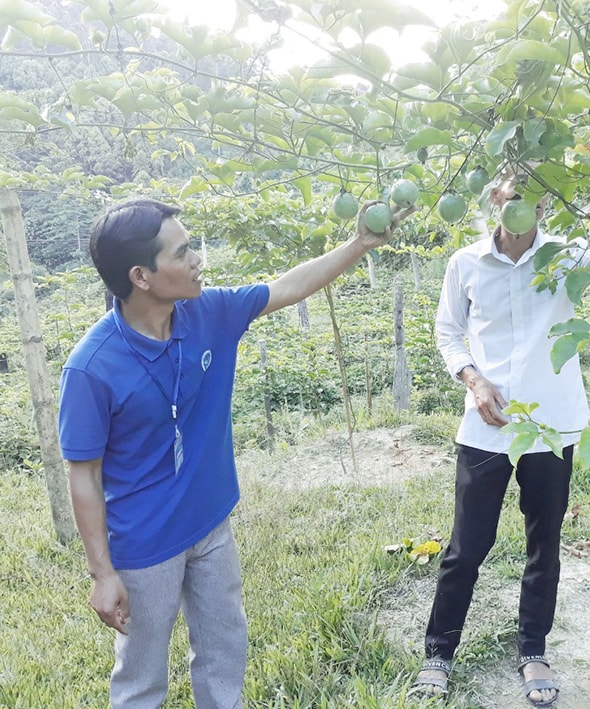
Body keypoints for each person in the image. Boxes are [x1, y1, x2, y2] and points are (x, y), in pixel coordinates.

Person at [58, 197, 412, 707]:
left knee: (225, 652)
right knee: (140, 677)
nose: (197, 259)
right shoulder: (92, 367)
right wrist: (102, 574)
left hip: (211, 526)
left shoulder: (210, 314)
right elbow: (84, 476)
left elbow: (290, 285)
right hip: (145, 546)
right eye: (182, 253)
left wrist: (359, 244)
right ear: (141, 275)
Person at [410, 167, 590, 706]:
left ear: (546, 206)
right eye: (513, 194)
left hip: (554, 424)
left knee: (544, 541)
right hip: (486, 425)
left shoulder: (566, 253)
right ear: (495, 198)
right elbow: (448, 332)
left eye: (534, 198)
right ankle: (439, 650)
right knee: (467, 545)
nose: (523, 205)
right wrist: (473, 381)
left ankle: (533, 649)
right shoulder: (464, 263)